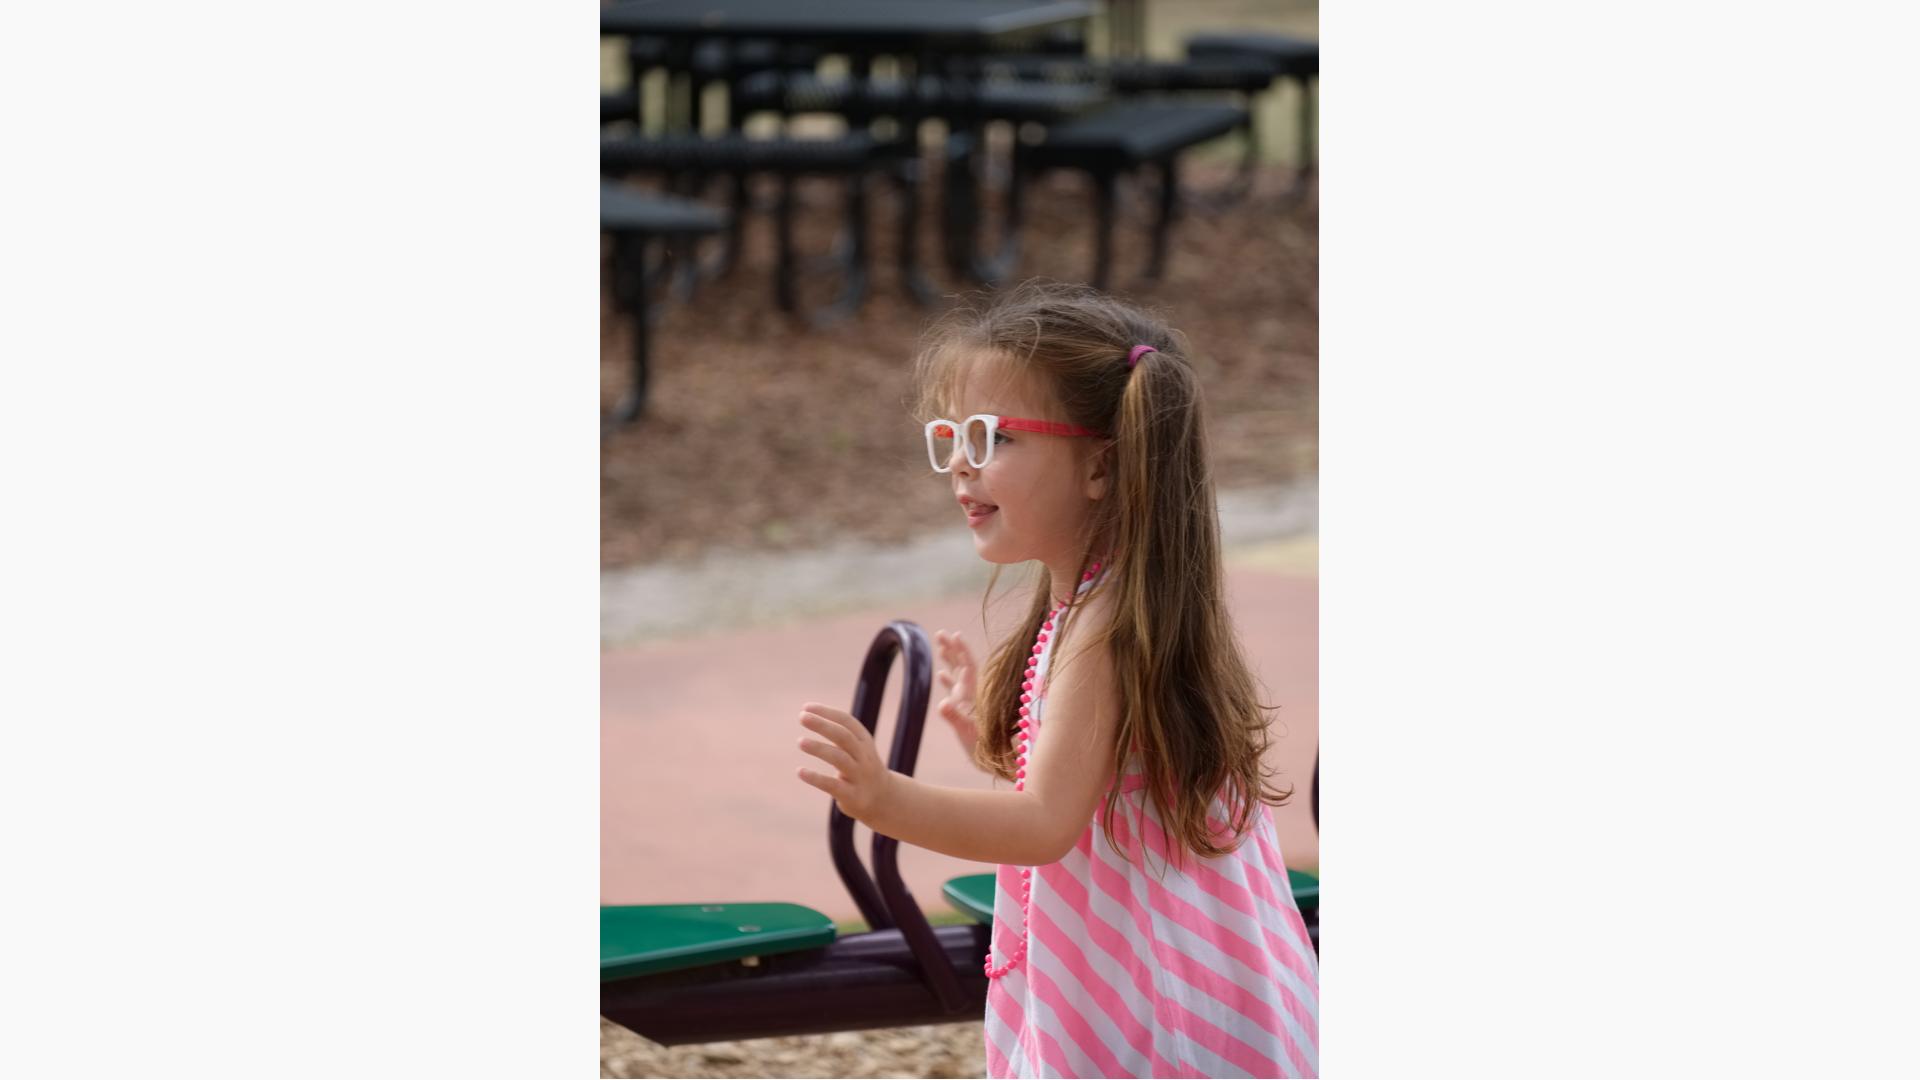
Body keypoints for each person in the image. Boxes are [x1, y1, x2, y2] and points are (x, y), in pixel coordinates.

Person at [793, 280, 1318, 1078]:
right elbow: (1105, 788)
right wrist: (991, 745)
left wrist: (886, 800)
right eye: (952, 436)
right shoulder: (1101, 606)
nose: (960, 466)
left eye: (992, 436)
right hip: (1154, 969)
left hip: (1154, 1002)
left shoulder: (1104, 628)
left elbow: (1045, 825)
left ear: (1102, 466)